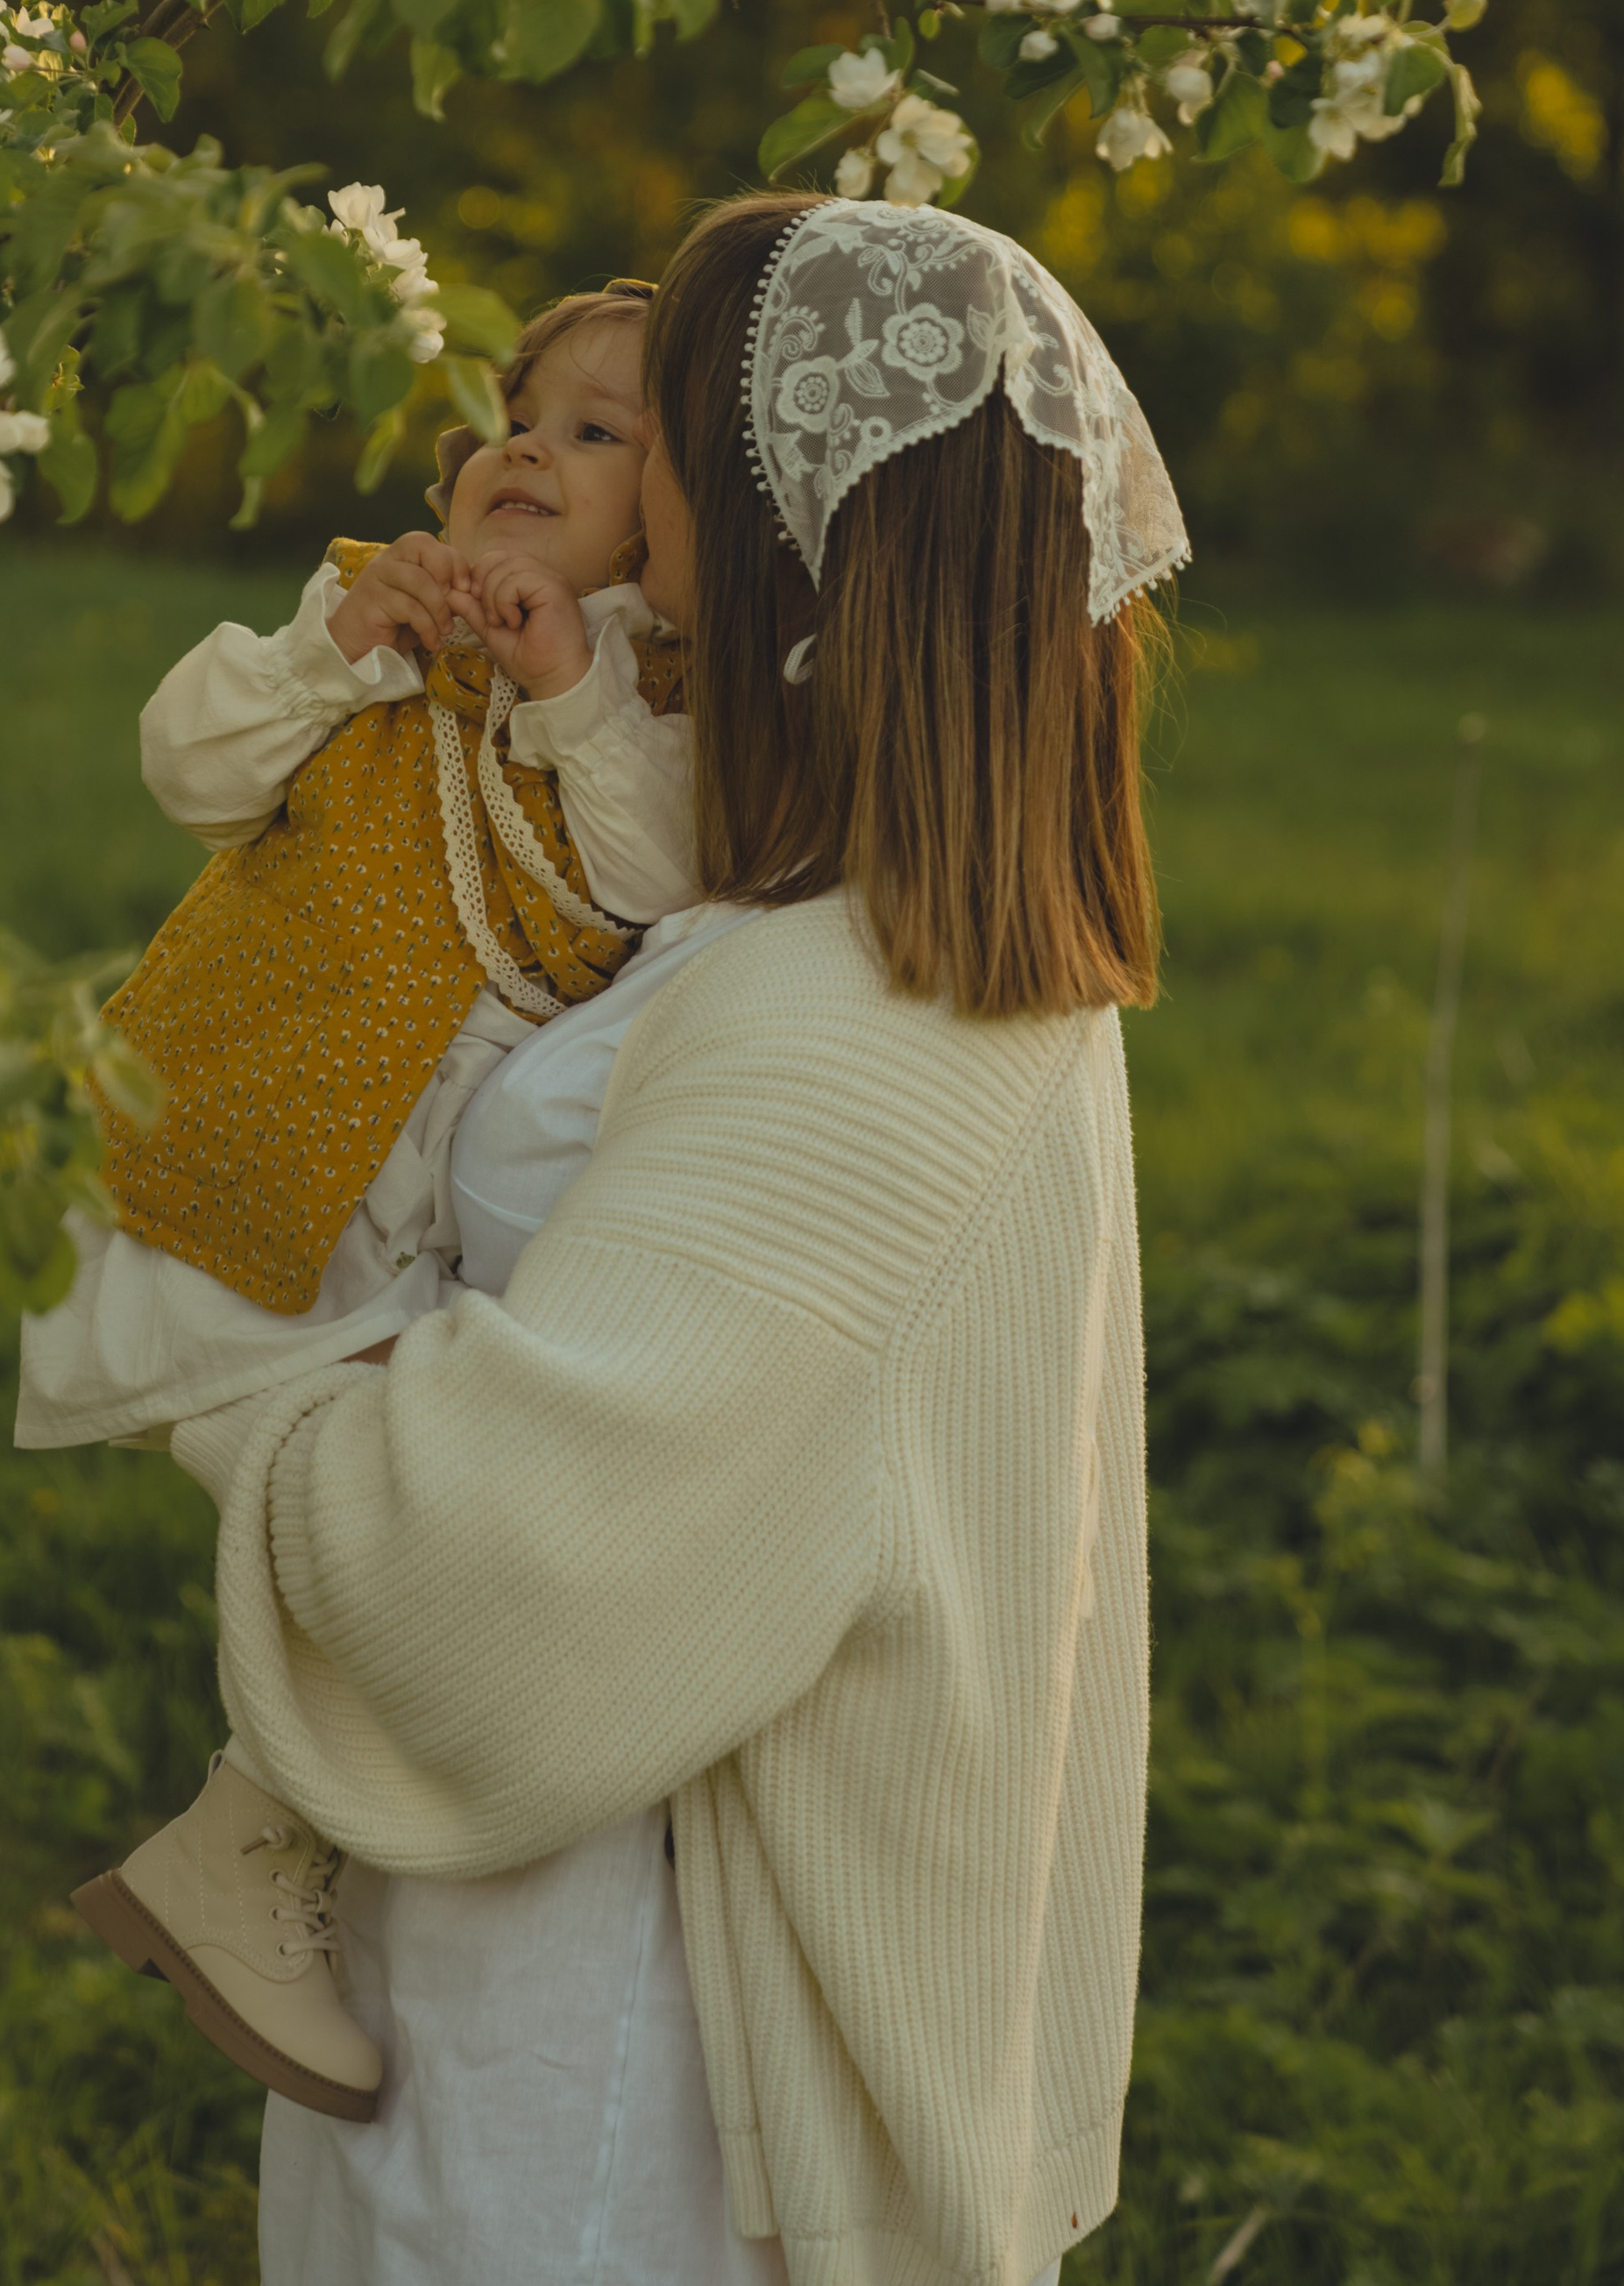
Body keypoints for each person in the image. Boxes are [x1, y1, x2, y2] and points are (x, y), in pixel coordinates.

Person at [167, 191, 1188, 2286]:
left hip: (607, 2029)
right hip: (512, 1933)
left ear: (805, 517)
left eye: (686, 438)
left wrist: (220, 1350)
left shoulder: (851, 1019)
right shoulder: (840, 927)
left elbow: (502, 1575)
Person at [20, 282, 698, 2118]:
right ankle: (256, 1855)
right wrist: (334, 650)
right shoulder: (374, 623)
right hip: (241, 1165)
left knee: (428, 1539)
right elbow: (187, 764)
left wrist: (567, 678)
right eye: (509, 415)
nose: (519, 452)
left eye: (590, 430)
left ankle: (248, 1852)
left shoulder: (654, 699)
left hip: (404, 1229)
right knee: (395, 1540)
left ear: (688, 501)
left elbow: (662, 872)